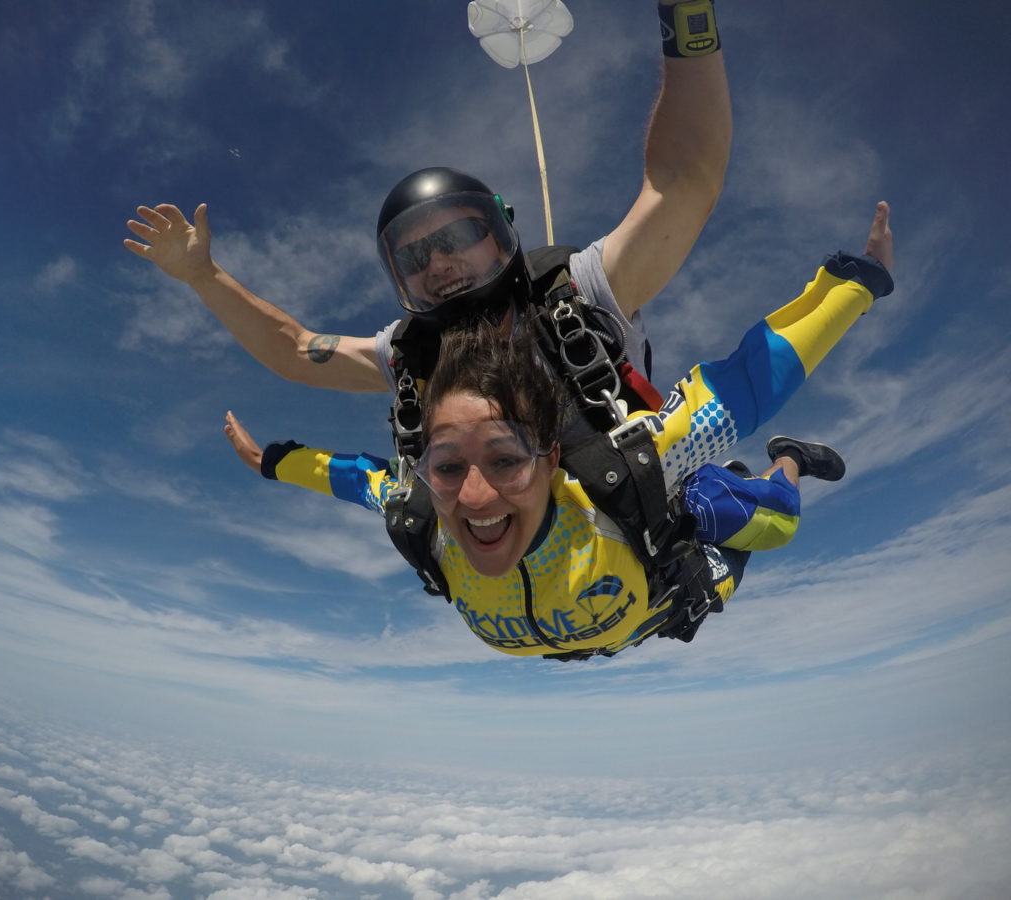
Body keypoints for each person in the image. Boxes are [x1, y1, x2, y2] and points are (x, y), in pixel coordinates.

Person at [221, 204, 894, 659]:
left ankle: (786, 463)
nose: (475, 497)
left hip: (670, 562)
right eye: (447, 466)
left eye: (506, 460)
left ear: (550, 457)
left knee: (775, 522)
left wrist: (855, 283)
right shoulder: (427, 507)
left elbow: (749, 381)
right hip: (634, 617)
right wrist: (272, 462)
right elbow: (363, 480)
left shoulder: (631, 470)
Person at [123, 0, 731, 391]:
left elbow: (685, 179)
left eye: (455, 239)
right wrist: (204, 277)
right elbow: (297, 349)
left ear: (503, 232)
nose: (437, 264)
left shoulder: (586, 292)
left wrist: (686, 11)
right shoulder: (412, 353)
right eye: (413, 260)